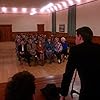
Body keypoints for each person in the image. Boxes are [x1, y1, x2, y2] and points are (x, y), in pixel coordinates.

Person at [60, 26, 100, 100]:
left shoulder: (75, 50)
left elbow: (68, 74)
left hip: (87, 92)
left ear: (80, 37)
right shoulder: (98, 47)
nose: (75, 40)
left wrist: (63, 94)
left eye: (76, 37)